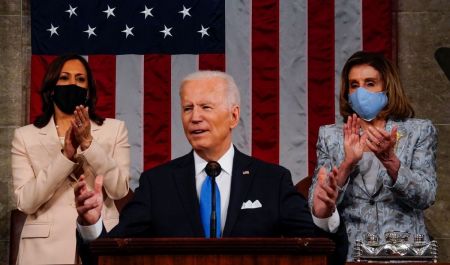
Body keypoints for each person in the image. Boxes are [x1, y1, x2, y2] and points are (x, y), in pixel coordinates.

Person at [75, 70, 348, 264]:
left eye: (206, 107)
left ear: (233, 115)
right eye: (187, 108)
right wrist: (92, 225)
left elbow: (326, 256)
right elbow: (108, 255)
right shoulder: (156, 184)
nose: (195, 117)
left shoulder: (272, 180)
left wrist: (324, 218)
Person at [309, 51, 438, 260]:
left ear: (387, 87)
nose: (361, 92)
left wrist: (391, 163)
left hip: (406, 256)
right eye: (354, 85)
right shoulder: (330, 136)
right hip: (352, 255)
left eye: (370, 83)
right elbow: (317, 207)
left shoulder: (419, 131)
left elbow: (426, 195)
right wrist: (347, 164)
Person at [11, 54, 130, 265]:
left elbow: (119, 190)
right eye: (64, 78)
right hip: (43, 251)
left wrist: (88, 144)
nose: (72, 84)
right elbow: (26, 203)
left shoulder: (115, 129)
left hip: (100, 241)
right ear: (51, 87)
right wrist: (65, 156)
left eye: (80, 79)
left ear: (88, 91)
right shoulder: (24, 136)